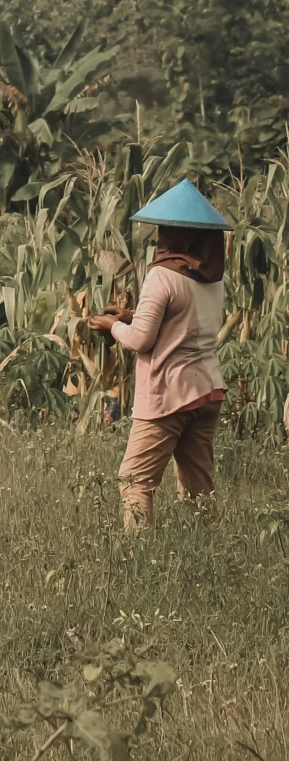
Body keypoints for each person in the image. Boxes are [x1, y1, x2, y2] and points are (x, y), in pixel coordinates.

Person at [90, 178, 228, 532]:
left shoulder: (162, 277)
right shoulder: (213, 280)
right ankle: (208, 551)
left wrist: (113, 327)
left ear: (171, 235)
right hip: (207, 389)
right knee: (199, 489)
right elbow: (184, 324)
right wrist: (131, 316)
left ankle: (137, 562)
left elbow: (140, 341)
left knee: (133, 480)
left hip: (170, 393)